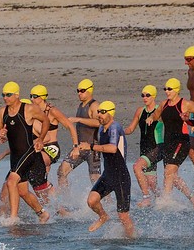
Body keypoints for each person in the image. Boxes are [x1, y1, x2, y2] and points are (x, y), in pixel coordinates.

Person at [0, 82, 51, 224]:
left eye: (8, 95)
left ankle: (13, 218)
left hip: (29, 152)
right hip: (15, 155)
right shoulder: (3, 111)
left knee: (11, 181)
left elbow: (46, 121)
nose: (5, 98)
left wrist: (40, 138)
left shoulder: (29, 109)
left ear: (17, 95)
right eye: (3, 95)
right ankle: (42, 214)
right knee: (22, 191)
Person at [80, 101, 136, 237]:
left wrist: (91, 147)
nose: (99, 115)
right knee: (92, 200)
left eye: (102, 112)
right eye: (98, 112)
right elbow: (101, 148)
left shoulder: (115, 127)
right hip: (108, 174)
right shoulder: (101, 129)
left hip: (121, 176)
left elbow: (112, 148)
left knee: (123, 216)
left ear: (111, 113)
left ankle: (131, 240)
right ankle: (103, 216)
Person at [150, 77, 194, 200]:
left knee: (168, 171)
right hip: (168, 142)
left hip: (181, 142)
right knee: (171, 175)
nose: (167, 91)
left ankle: (165, 201)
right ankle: (191, 199)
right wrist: (151, 118)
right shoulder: (163, 104)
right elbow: (155, 116)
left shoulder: (186, 104)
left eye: (169, 89)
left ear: (176, 90)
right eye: (165, 89)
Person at [58, 79, 102, 189]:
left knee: (95, 178)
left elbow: (99, 123)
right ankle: (65, 202)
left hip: (93, 148)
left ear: (89, 90)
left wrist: (79, 119)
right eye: (78, 91)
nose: (79, 93)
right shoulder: (81, 105)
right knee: (61, 171)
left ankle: (108, 204)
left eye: (82, 91)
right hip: (79, 148)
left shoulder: (94, 105)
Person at [128, 84, 163, 206]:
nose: (145, 97)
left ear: (153, 96)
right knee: (152, 184)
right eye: (143, 95)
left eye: (147, 95)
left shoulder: (159, 110)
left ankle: (146, 198)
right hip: (144, 148)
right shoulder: (140, 111)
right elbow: (131, 128)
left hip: (156, 147)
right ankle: (165, 200)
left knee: (137, 167)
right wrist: (118, 131)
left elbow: (171, 124)